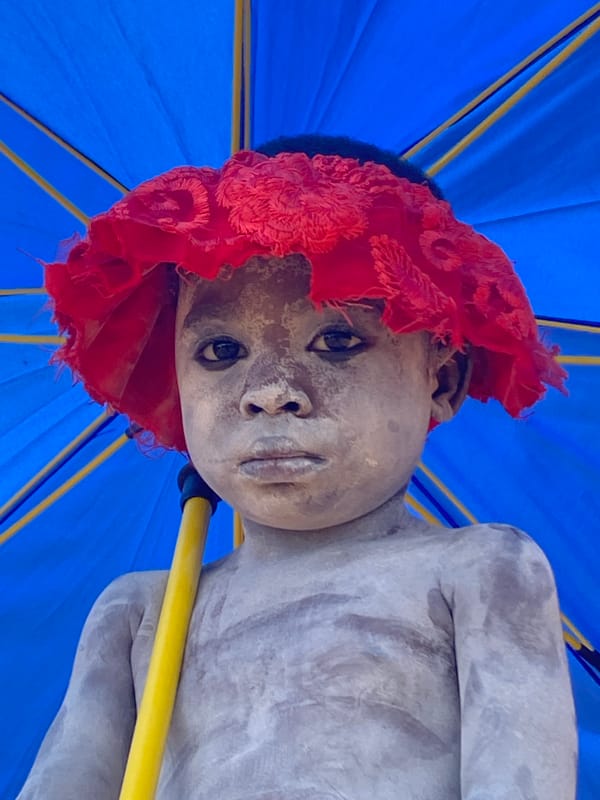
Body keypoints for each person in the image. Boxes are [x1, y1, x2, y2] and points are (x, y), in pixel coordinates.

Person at [18, 135, 577, 799]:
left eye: (337, 341)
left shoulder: (484, 570)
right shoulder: (139, 612)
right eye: (221, 351)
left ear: (443, 382)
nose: (269, 388)